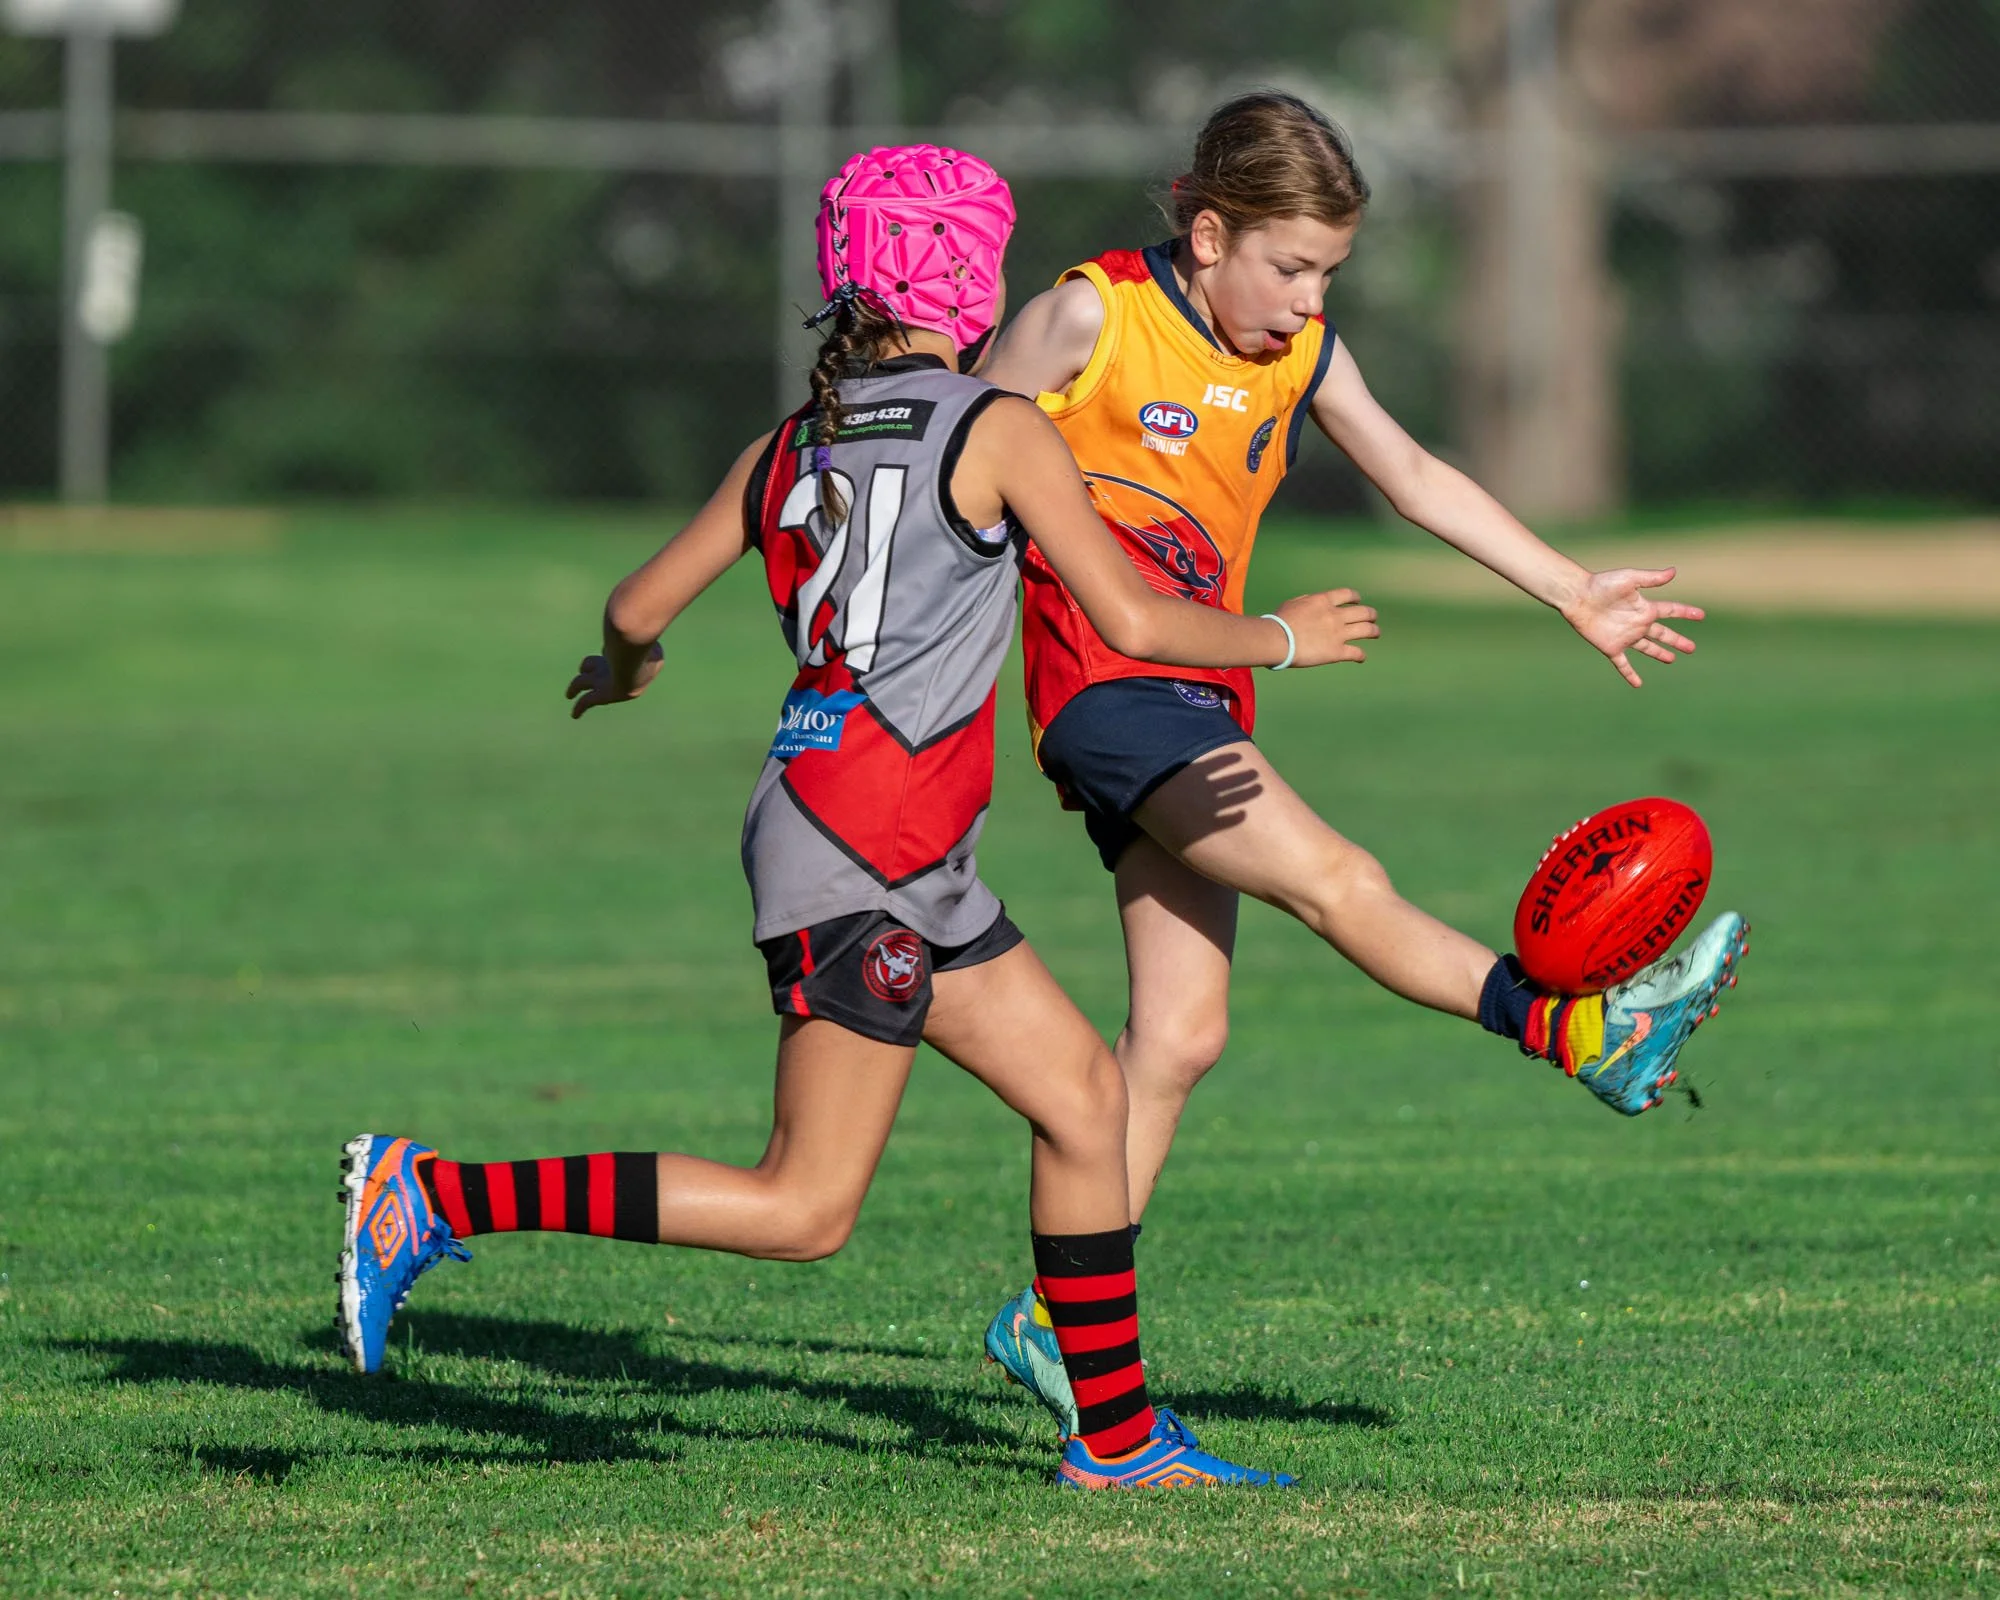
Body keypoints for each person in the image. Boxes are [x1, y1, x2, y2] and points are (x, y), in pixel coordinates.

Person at [335, 144, 1381, 1491]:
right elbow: (1129, 617)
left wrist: (625, 674)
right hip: (864, 847)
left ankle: (1117, 1444)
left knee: (1083, 1097)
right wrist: (1278, 637)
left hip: (860, 829)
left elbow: (639, 607)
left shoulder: (793, 442)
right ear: (969, 274)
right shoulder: (997, 424)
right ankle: (433, 1197)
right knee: (805, 1207)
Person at [974, 92, 1750, 1437]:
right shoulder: (1088, 319)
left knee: (1180, 1034)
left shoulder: (1301, 347)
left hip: (1197, 694)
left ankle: (1055, 1323)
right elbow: (946, 457)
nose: (1306, 300)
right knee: (1338, 877)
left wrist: (1571, 590)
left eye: (1329, 272)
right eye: (1287, 267)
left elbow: (1411, 470)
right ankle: (1584, 1031)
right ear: (1207, 235)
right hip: (1108, 694)